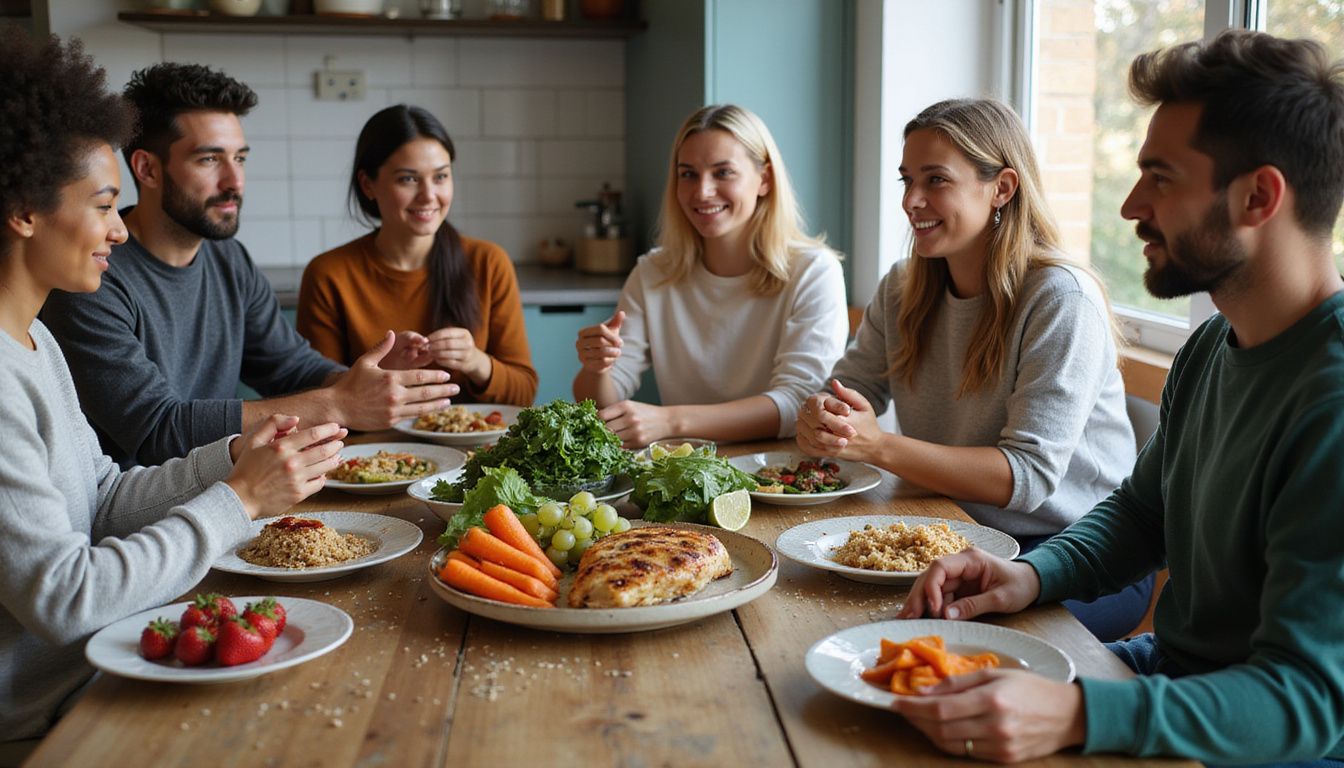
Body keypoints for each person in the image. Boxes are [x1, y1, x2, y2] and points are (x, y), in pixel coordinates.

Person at [893, 31, 1344, 766]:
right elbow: (1142, 515)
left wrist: (1077, 711)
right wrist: (1026, 575)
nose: (1132, 205)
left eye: (1160, 179)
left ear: (1259, 196)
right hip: (1173, 679)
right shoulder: (1211, 345)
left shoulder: (1333, 400)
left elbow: (1306, 702)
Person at [0, 30, 346, 761]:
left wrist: (232, 458)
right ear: (25, 211)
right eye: (101, 205)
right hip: (48, 724)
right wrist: (241, 502)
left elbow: (102, 498)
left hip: (106, 669)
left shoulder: (36, 343)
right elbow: (64, 598)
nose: (116, 231)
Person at [796, 98, 1148, 641]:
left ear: (1002, 188)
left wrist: (877, 446)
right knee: (820, 607)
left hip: (1075, 555)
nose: (912, 201)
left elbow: (1027, 478)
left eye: (936, 180)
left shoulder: (1060, 298)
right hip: (951, 531)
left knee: (913, 641)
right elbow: (854, 386)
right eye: (907, 179)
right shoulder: (902, 285)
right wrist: (826, 412)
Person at [41, 63, 459, 468]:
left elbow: (291, 368)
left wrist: (365, 380)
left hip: (229, 491)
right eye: (209, 160)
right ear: (147, 168)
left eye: (239, 158)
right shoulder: (90, 277)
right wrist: (340, 404)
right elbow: (156, 431)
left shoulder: (228, 259)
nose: (234, 182)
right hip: (138, 522)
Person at [572, 104, 848, 447]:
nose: (702, 192)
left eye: (723, 173)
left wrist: (671, 420)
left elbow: (798, 405)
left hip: (777, 470)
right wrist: (597, 368)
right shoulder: (653, 272)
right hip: (683, 471)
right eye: (688, 174)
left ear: (764, 179)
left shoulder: (814, 271)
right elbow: (603, 403)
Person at [297, 105, 537, 406]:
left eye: (440, 177)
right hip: (370, 451)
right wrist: (380, 372)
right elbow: (317, 401)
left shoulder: (489, 262)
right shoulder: (329, 274)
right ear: (368, 184)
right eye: (408, 179)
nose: (428, 196)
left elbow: (524, 393)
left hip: (476, 450)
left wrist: (477, 362)